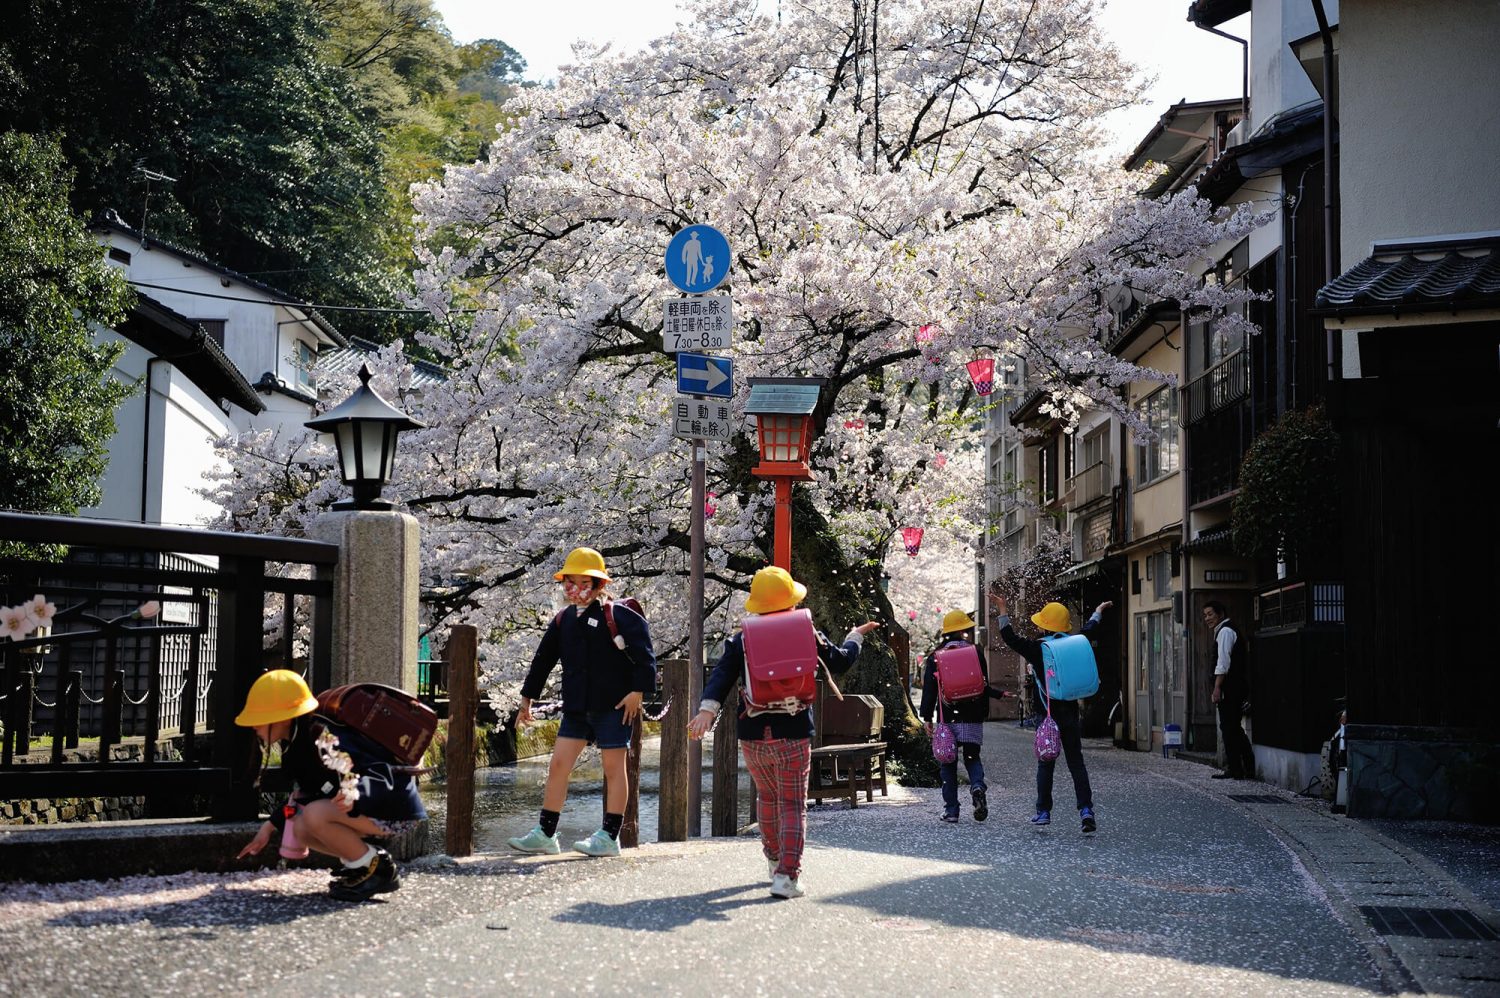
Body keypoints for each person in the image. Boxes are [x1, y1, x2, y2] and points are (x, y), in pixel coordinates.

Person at [687, 566, 879, 899]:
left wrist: (706, 711)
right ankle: (787, 877)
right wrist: (855, 636)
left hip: (753, 732)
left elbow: (720, 677)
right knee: (792, 804)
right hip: (794, 730)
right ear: (790, 601)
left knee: (768, 798)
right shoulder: (807, 631)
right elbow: (841, 662)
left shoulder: (741, 638)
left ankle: (773, 858)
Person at [509, 547, 657, 858]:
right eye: (568, 583)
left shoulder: (618, 615)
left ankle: (609, 836)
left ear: (599, 585)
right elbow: (543, 659)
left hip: (614, 706)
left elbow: (645, 656)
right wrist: (527, 699)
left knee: (614, 768)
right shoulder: (564, 619)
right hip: (576, 706)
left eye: (581, 583)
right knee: (558, 765)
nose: (573, 590)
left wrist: (638, 691)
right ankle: (546, 833)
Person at [233, 669, 426, 902]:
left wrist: (354, 794)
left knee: (314, 815)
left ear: (282, 717)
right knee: (301, 828)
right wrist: (271, 826)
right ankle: (362, 863)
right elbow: (304, 795)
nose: (254, 727)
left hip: (392, 809)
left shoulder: (323, 737)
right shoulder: (296, 745)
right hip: (367, 809)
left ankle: (375, 868)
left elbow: (373, 769)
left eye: (259, 719)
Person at [990, 593, 1112, 834]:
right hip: (1069, 712)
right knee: (1076, 763)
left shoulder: (1038, 649)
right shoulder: (1077, 642)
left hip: (1046, 716)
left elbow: (1010, 638)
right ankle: (1086, 810)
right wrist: (1098, 610)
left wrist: (1003, 609)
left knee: (1046, 763)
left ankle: (1043, 811)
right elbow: (1090, 628)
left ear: (1044, 625)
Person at [918, 609, 1010, 823]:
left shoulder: (935, 657)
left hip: (947, 717)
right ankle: (977, 786)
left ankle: (951, 810)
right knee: (972, 757)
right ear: (963, 631)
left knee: (948, 764)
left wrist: (927, 718)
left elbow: (929, 691)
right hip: (972, 716)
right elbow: (982, 683)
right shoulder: (975, 652)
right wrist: (990, 703)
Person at [1203, 601, 1255, 780]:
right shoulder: (1225, 630)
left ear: (1221, 613)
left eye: (1210, 614)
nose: (1207, 618)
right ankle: (1244, 767)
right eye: (1205, 615)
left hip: (1231, 687)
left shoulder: (1225, 631)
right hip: (1235, 686)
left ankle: (1237, 768)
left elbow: (1223, 663)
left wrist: (1217, 687)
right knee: (1233, 727)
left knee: (1229, 727)